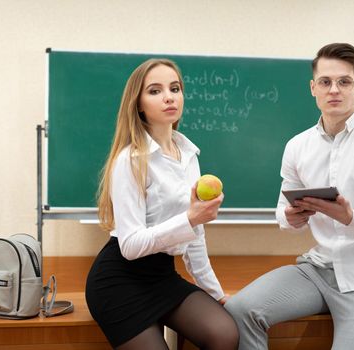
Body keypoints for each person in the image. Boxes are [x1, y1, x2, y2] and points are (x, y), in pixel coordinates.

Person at [225, 43, 354, 349]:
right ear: (313, 88)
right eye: (325, 82)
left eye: (344, 82)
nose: (334, 89)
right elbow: (282, 211)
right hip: (317, 270)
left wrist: (351, 218)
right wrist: (290, 217)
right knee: (239, 311)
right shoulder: (297, 146)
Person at [86, 58, 239, 350]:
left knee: (225, 333)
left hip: (163, 277)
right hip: (119, 282)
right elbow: (130, 246)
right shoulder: (130, 160)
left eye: (175, 88)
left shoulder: (188, 155)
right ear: (139, 104)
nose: (169, 96)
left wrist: (216, 293)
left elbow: (194, 239)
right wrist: (190, 220)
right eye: (155, 91)